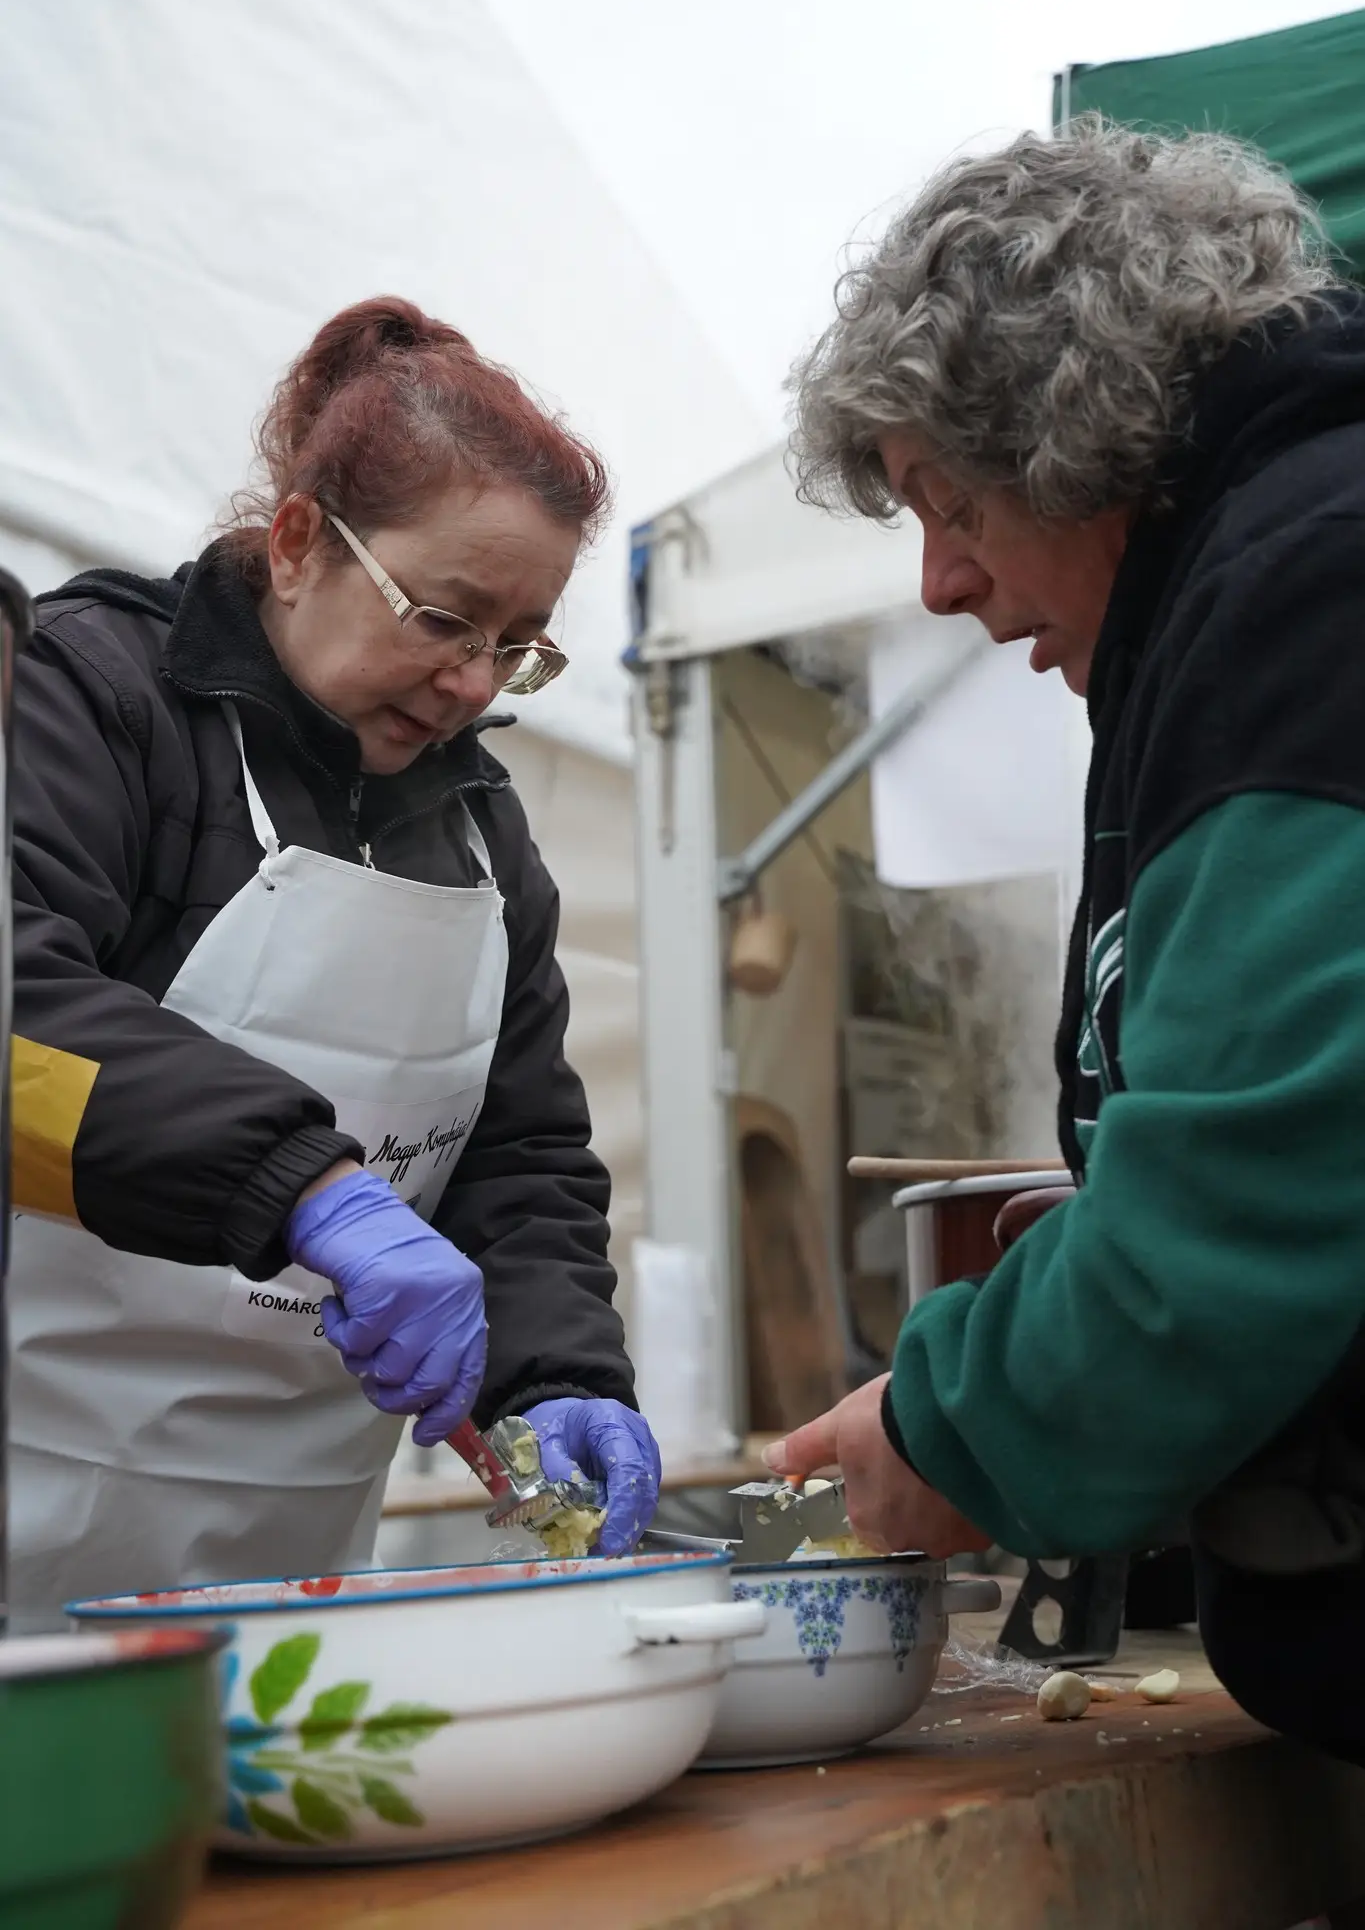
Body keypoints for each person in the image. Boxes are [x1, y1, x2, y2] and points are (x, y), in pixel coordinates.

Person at [774, 118, 1365, 1763]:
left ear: (1071, 436)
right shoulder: (1253, 583)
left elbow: (1240, 1209)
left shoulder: (1314, 590)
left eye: (946, 502)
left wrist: (948, 1428)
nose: (940, 583)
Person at [9, 296, 659, 1610]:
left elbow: (520, 1154)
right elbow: (23, 1003)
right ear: (300, 544)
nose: (472, 684)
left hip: (293, 1558)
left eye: (516, 647)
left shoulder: (483, 833)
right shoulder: (95, 698)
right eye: (444, 618)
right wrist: (310, 1191)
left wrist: (558, 1374)